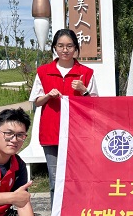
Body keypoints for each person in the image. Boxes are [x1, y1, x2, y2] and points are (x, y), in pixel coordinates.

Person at [29, 29, 98, 205]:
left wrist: (84, 90)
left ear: (75, 48)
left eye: (69, 46)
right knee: (55, 181)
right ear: (54, 47)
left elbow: (95, 104)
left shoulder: (86, 73)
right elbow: (36, 101)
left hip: (78, 136)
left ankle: (78, 214)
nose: (65, 50)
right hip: (51, 133)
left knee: (78, 179)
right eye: (60, 46)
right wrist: (47, 96)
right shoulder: (44, 72)